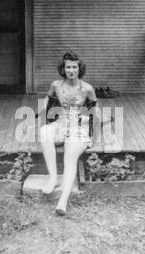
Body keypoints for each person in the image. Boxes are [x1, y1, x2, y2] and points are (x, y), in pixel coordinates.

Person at [39, 51, 99, 216]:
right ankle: (53, 178)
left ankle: (63, 201)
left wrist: (92, 135)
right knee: (44, 132)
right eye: (68, 67)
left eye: (74, 67)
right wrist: (49, 116)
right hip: (61, 124)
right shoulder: (56, 85)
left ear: (79, 68)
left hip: (79, 128)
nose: (71, 70)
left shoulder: (87, 88)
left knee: (70, 155)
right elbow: (47, 99)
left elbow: (94, 111)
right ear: (63, 69)